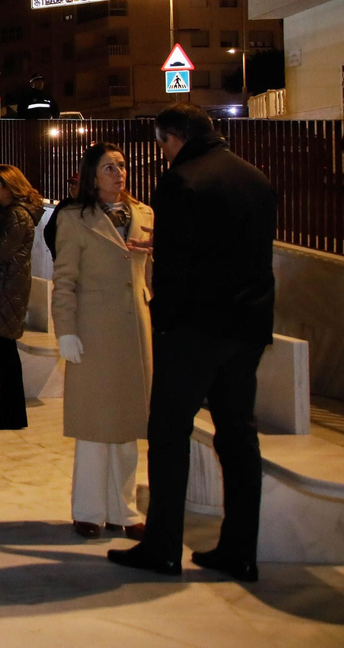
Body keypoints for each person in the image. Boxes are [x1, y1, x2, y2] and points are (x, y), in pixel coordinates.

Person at [110, 103, 276, 583]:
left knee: (167, 433)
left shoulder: (182, 181)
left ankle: (163, 547)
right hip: (246, 328)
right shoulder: (255, 178)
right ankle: (240, 551)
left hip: (194, 330)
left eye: (161, 144)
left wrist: (163, 320)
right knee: (239, 436)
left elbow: (179, 265)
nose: (162, 154)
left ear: (172, 138)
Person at [52, 143, 152, 540]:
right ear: (92, 174)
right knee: (95, 425)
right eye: (109, 167)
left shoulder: (143, 214)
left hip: (135, 331)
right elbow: (65, 279)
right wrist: (66, 331)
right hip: (93, 329)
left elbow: (150, 273)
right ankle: (89, 509)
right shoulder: (76, 218)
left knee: (127, 427)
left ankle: (124, 511)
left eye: (122, 166)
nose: (118, 173)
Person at [0, 164, 42, 431]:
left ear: (9, 186)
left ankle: (10, 413)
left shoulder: (16, 215)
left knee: (5, 353)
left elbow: (1, 255)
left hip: (4, 292)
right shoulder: (6, 212)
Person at [43, 170, 82, 261]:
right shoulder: (64, 205)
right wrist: (55, 253)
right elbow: (49, 231)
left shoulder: (92, 207)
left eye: (76, 184)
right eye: (71, 184)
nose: (72, 187)